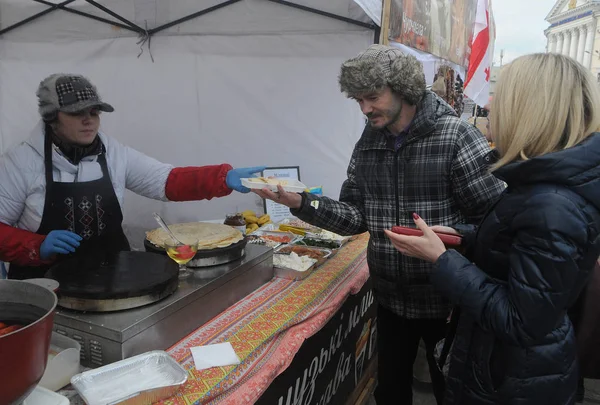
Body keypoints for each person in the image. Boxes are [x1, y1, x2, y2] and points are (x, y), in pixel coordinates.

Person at [254, 45, 505, 405]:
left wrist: (455, 240)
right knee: (390, 392)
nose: (364, 109)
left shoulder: (455, 137)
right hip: (390, 299)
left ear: (404, 89)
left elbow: (493, 223)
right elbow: (355, 217)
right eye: (358, 100)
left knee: (453, 392)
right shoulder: (368, 142)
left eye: (372, 97)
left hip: (448, 301)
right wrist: (302, 203)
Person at [385, 53, 600, 405]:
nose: (489, 105)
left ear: (529, 111)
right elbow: (519, 248)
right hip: (505, 370)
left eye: (500, 96)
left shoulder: (553, 203)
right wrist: (460, 237)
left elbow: (521, 321)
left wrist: (442, 261)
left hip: (512, 381)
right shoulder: (541, 182)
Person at [0, 73, 263, 279]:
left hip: (112, 277)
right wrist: (36, 245)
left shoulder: (113, 152)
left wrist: (221, 177)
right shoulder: (20, 163)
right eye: (76, 113)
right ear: (51, 117)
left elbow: (166, 181)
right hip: (46, 285)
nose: (88, 120)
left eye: (93, 112)